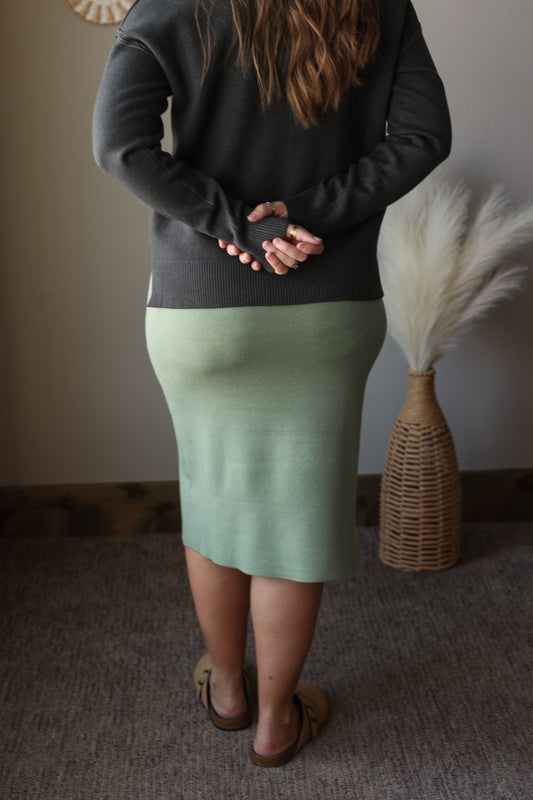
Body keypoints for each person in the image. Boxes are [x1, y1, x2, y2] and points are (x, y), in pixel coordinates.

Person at [93, 0, 451, 767]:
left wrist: (235, 223)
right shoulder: (379, 4)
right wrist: (305, 215)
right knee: (298, 516)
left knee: (212, 491)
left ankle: (228, 692)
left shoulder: (167, 5)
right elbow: (423, 136)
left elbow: (119, 147)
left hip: (201, 310)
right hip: (325, 309)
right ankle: (274, 722)